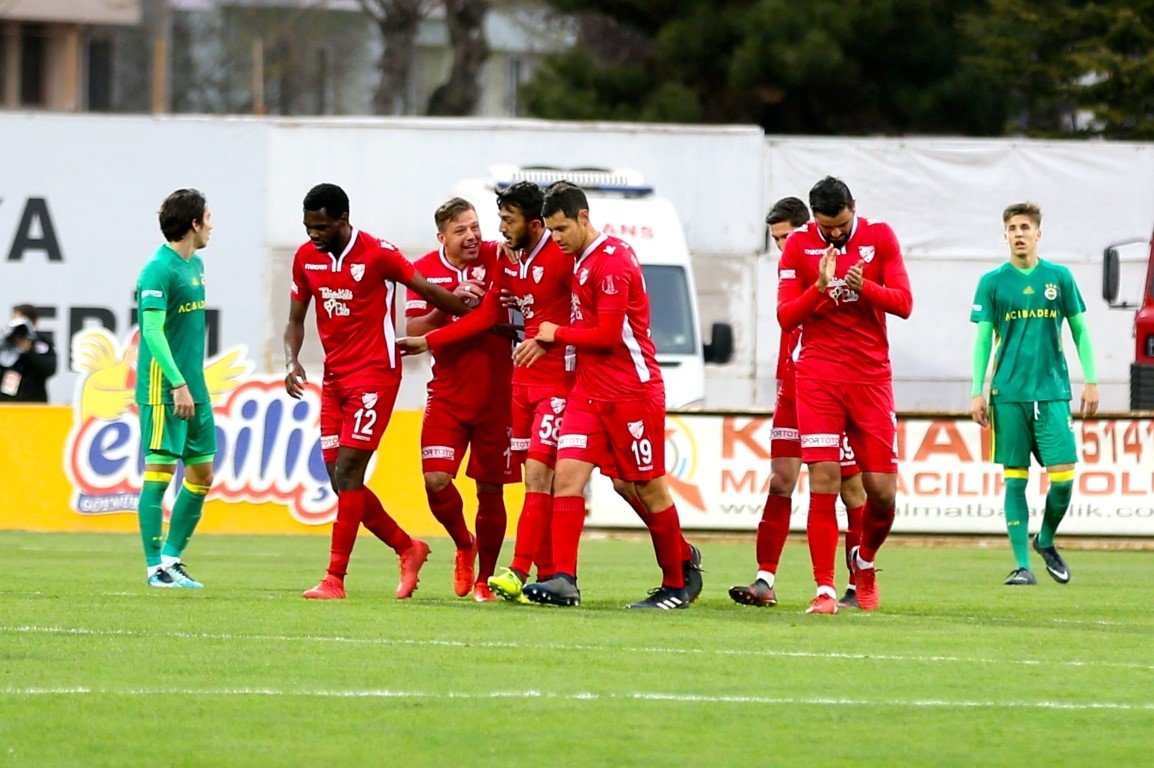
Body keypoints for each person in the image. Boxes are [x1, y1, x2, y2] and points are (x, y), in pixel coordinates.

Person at [516, 181, 700, 610]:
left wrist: (555, 334)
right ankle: (564, 580)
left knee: (645, 486)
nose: (556, 238)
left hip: (631, 391)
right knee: (567, 477)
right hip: (589, 391)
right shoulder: (580, 260)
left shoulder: (612, 262)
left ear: (583, 218)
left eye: (562, 229)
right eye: (551, 231)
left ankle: (677, 581)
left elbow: (607, 336)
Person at [285, 183, 471, 600]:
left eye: (321, 226)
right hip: (334, 380)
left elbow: (427, 290)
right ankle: (408, 547)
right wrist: (291, 360)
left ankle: (335, 578)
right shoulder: (305, 258)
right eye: (308, 226)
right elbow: (295, 320)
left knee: (350, 471)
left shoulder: (378, 253)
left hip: (374, 375)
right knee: (337, 478)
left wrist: (477, 316)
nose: (313, 234)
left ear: (343, 220)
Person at [777, 177, 913, 614]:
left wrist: (863, 286)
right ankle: (824, 589)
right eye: (826, 226)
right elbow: (785, 317)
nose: (835, 233)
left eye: (841, 224)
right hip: (818, 376)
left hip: (871, 379)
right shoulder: (798, 247)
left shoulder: (880, 237)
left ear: (854, 207)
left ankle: (865, 561)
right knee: (824, 480)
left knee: (882, 493)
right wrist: (818, 287)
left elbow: (904, 303)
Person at [730, 197, 867, 609]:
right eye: (775, 240)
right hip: (792, 386)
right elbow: (786, 319)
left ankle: (858, 584)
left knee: (850, 486)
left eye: (787, 237)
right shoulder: (788, 270)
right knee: (781, 479)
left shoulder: (834, 266)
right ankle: (764, 580)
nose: (782, 247)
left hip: (832, 386)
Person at [970, 201, 1098, 586]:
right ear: (1005, 235)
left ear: (1038, 234)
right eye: (1012, 228)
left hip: (1053, 392)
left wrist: (1091, 380)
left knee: (1063, 479)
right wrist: (977, 390)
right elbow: (982, 341)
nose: (1019, 234)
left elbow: (1080, 331)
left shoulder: (1059, 278)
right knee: (1015, 480)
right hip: (1008, 393)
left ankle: (1045, 539)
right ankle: (1023, 565)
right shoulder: (992, 282)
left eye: (1025, 227)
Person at [404, 198, 517, 602]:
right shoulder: (423, 270)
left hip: (499, 395)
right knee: (436, 480)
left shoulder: (498, 255)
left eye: (474, 227)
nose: (472, 236)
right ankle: (463, 542)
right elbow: (413, 328)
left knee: (490, 489)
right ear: (442, 237)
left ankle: (485, 580)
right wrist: (447, 300)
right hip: (448, 393)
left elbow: (499, 312)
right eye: (460, 231)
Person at [133, 189, 216, 588]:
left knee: (202, 473)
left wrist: (191, 382)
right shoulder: (157, 270)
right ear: (193, 223)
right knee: (161, 469)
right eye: (208, 218)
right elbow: (151, 331)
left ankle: (172, 559)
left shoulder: (196, 265)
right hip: (164, 386)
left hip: (194, 384)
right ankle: (154, 569)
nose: (212, 225)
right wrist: (177, 383)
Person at [0, 304, 57, 402]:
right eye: (15, 319)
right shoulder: (7, 341)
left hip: (34, 401)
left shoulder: (42, 342)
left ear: (34, 322)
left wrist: (30, 350)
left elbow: (49, 369)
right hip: (7, 402)